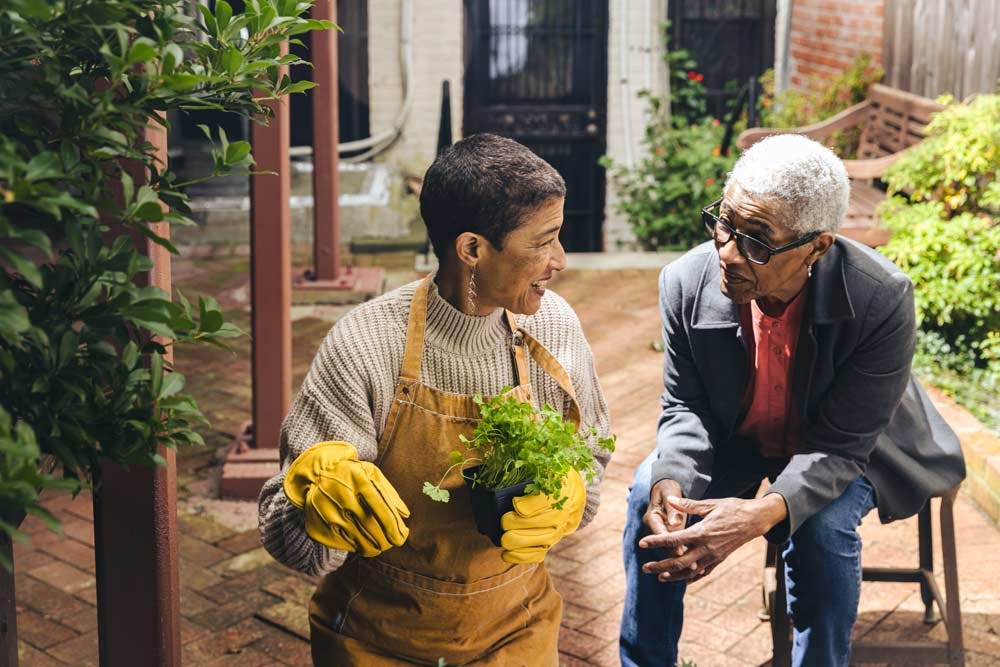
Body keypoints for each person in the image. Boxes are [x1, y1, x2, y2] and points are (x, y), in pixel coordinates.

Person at [258, 133, 612, 666]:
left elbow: (593, 460)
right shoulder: (365, 345)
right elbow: (295, 547)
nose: (560, 259)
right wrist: (313, 505)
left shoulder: (555, 328)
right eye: (543, 241)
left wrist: (574, 494)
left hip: (517, 631)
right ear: (472, 249)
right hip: (377, 639)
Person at [619, 134, 966, 667]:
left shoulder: (881, 297)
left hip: (845, 445)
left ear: (818, 246)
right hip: (741, 437)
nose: (728, 252)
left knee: (820, 528)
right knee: (650, 496)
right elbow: (685, 406)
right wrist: (671, 479)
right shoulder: (685, 282)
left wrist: (763, 513)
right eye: (724, 222)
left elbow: (843, 444)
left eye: (757, 239)